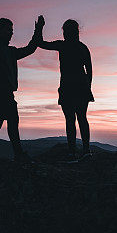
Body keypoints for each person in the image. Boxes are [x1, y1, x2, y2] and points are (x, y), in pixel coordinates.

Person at [0, 15, 44, 160]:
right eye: (8, 30)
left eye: (11, 30)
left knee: (1, 122)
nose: (11, 33)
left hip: (6, 92)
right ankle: (14, 154)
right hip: (0, 92)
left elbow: (30, 49)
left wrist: (38, 30)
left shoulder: (10, 51)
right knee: (7, 122)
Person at [38, 18, 94, 161]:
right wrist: (88, 86)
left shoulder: (63, 46)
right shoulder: (82, 47)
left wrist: (39, 28)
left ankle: (73, 152)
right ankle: (85, 150)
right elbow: (90, 70)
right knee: (81, 118)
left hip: (69, 87)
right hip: (80, 87)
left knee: (71, 120)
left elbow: (41, 43)